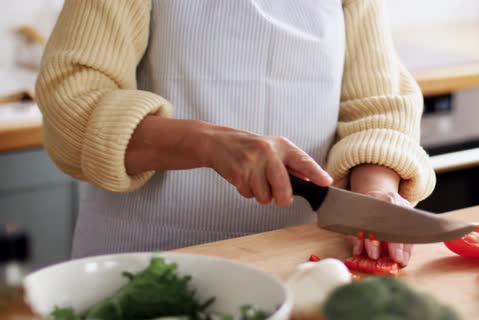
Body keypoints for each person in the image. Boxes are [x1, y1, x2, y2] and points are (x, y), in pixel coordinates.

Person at [35, 0, 435, 266]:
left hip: (302, 262)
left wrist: (373, 196)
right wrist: (209, 144)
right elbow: (71, 104)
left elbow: (377, 101)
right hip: (144, 256)